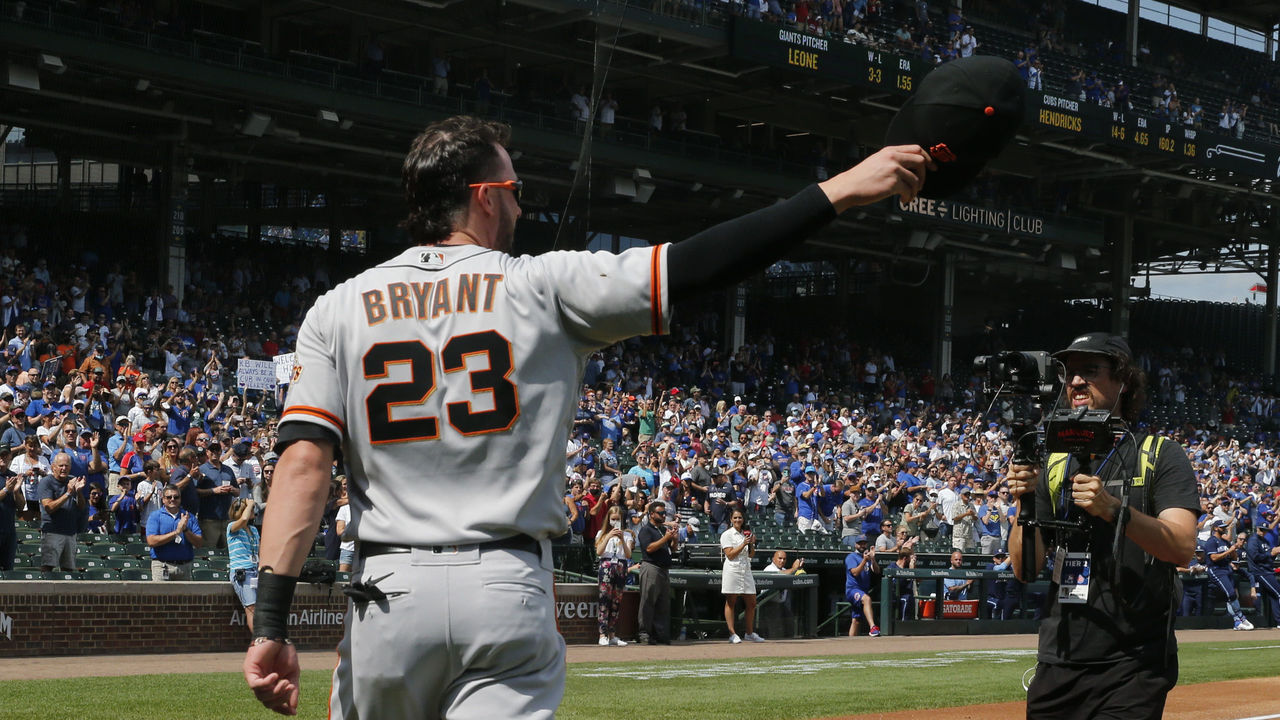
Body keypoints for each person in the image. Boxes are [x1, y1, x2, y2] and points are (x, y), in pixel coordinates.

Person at [242, 114, 934, 718]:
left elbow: (304, 465)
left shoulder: (336, 307)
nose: (520, 205)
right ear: (483, 197)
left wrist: (270, 621)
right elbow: (700, 266)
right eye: (513, 190)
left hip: (385, 594)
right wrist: (843, 188)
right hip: (501, 582)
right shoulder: (543, 285)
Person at [1007, 332, 1199, 719]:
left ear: (1123, 381)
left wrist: (1114, 510)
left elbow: (1181, 546)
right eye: (1069, 373)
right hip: (1060, 658)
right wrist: (1022, 502)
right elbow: (1025, 569)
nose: (1075, 381)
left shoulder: (1159, 453)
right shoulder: (1055, 463)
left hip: (1133, 663)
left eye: (1090, 371)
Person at [637, 500, 679, 645]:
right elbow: (649, 548)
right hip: (651, 567)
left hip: (664, 569)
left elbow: (672, 549)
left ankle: (659, 634)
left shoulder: (661, 529)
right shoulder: (646, 530)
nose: (663, 516)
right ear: (652, 514)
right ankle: (644, 633)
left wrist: (674, 538)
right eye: (660, 513)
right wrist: (666, 538)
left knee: (663, 604)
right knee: (648, 602)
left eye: (664, 513)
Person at [720, 509, 764, 643]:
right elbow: (730, 554)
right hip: (732, 569)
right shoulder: (727, 534)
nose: (738, 520)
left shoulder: (746, 534)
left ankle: (749, 633)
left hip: (746, 569)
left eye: (740, 518)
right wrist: (743, 543)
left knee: (752, 602)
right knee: (731, 601)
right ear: (731, 520)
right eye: (735, 518)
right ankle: (732, 634)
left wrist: (751, 543)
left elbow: (751, 555)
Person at [593, 504, 633, 646]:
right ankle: (602, 634)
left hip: (621, 566)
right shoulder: (601, 533)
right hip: (606, 565)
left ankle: (612, 634)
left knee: (616, 602)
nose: (615, 522)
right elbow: (599, 551)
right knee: (604, 600)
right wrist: (609, 535)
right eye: (613, 519)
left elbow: (628, 554)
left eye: (618, 519)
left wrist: (622, 538)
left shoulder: (627, 534)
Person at [38, 453, 84, 571]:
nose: (64, 468)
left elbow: (81, 507)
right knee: (48, 566)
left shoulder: (73, 480)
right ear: (53, 466)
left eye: (67, 466)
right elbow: (49, 507)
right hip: (52, 531)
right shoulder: (46, 482)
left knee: (68, 568)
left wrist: (78, 492)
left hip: (70, 531)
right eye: (61, 465)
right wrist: (68, 493)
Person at [145, 486, 203, 580]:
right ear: (163, 499)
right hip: (162, 566)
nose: (172, 499)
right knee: (162, 595)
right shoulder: (155, 516)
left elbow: (199, 543)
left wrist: (185, 530)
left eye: (176, 497)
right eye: (169, 497)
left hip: (184, 567)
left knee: (184, 595)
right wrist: (176, 532)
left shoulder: (189, 517)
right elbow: (152, 541)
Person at [1204, 520, 1253, 630]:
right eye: (1222, 527)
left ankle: (1237, 622)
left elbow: (1234, 558)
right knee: (1231, 594)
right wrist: (1229, 551)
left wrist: (1233, 550)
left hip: (1226, 569)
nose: (1225, 528)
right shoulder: (1211, 541)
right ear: (1216, 528)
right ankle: (1240, 617)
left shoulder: (1225, 542)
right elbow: (1213, 558)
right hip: (1216, 570)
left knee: (1231, 596)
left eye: (1225, 527)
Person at [228, 497, 261, 632]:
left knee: (259, 608)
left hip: (255, 571)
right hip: (242, 572)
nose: (252, 510)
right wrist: (249, 504)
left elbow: (259, 550)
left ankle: (263, 638)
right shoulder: (232, 526)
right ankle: (258, 640)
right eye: (250, 509)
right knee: (251, 607)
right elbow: (243, 520)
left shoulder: (253, 530)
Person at [1244, 518, 1280, 628]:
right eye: (1262, 529)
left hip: (1267, 570)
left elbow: (1268, 558)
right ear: (1257, 529)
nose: (1263, 532)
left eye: (1265, 530)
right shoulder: (1253, 540)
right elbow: (1255, 556)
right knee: (1278, 593)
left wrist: (1273, 554)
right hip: (1260, 572)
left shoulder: (1265, 541)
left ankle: (1278, 621)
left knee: (1274, 596)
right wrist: (1270, 553)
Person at [843, 535, 879, 637]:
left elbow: (876, 571)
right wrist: (864, 560)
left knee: (856, 620)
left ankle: (851, 645)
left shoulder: (867, 556)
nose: (862, 545)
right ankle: (873, 627)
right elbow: (855, 573)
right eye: (860, 543)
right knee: (867, 599)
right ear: (855, 545)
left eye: (864, 543)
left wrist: (873, 559)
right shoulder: (851, 557)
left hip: (863, 590)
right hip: (852, 590)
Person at [0, 443, 20, 571]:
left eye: (5, 455)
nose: (2, 457)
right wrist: (7, 489)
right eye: (0, 455)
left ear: (10, 456)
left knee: (8, 568)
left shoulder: (13, 475)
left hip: (9, 529)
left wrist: (16, 491)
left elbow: (21, 505)